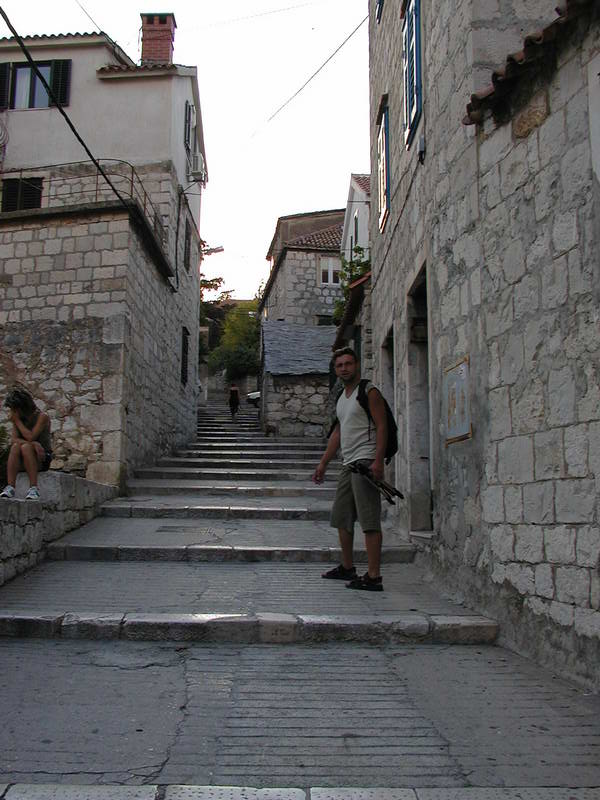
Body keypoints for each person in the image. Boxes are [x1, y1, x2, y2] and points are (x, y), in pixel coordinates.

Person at [313, 347, 387, 591]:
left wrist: (378, 461)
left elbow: (382, 426)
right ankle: (347, 567)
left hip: (365, 461)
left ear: (356, 365)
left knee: (369, 519)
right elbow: (338, 432)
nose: (344, 368)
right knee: (342, 517)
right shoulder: (342, 398)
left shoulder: (369, 391)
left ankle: (374, 576)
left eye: (348, 363)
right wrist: (323, 463)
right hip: (348, 462)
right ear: (336, 370)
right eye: (339, 365)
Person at [0, 387, 52, 500]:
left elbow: (30, 436)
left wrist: (17, 421)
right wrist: (34, 444)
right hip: (23, 459)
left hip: (42, 457)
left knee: (25, 447)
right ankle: (10, 487)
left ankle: (33, 488)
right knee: (16, 447)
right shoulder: (20, 419)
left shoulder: (42, 417)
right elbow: (14, 439)